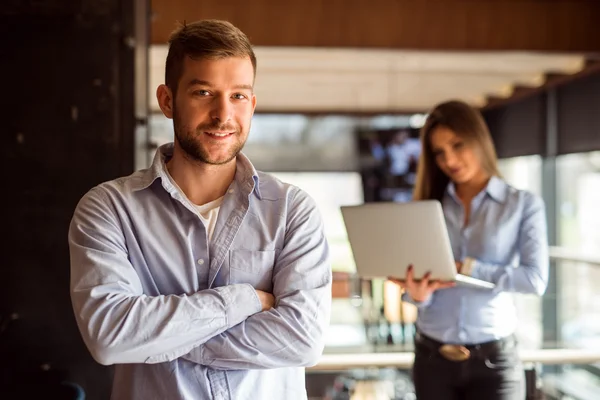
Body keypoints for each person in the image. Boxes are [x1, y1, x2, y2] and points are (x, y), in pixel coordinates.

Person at [68, 19, 332, 400]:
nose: (223, 114)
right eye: (204, 92)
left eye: (238, 96)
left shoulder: (293, 210)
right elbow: (110, 338)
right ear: (167, 100)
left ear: (252, 104)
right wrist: (247, 300)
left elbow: (302, 341)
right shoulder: (108, 209)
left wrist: (152, 339)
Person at [390, 100, 549, 399]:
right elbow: (416, 285)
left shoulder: (523, 205)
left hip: (494, 362)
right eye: (439, 152)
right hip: (431, 358)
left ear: (479, 139)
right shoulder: (427, 205)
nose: (449, 159)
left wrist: (466, 267)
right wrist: (417, 295)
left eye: (457, 144)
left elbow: (535, 279)